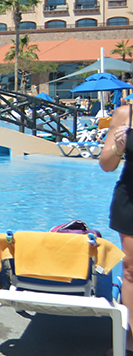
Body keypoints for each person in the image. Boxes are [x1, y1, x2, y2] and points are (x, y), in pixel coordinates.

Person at [100, 103, 133, 350]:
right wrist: (118, 147)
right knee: (131, 270)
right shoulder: (125, 114)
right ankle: (130, 340)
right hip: (130, 199)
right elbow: (107, 164)